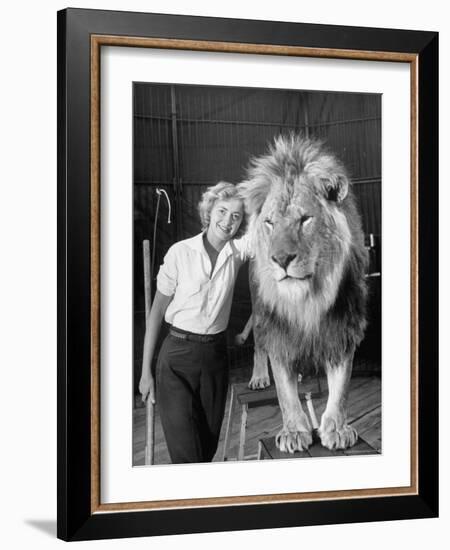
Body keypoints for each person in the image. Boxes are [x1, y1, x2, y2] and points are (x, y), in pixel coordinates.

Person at [139, 181, 250, 464]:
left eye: (236, 216)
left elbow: (269, 228)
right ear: (209, 210)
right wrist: (145, 372)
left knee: (206, 448)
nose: (227, 221)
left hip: (215, 359)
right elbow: (155, 313)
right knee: (187, 455)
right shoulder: (180, 252)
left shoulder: (237, 253)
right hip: (176, 358)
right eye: (223, 211)